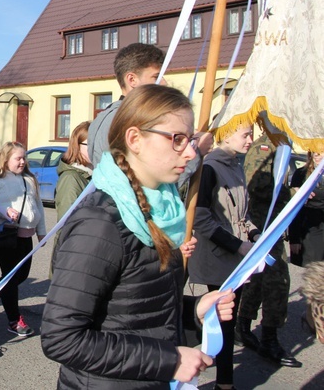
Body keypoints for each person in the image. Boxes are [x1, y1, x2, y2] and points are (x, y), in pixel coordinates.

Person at [42, 84, 235, 388]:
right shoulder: (100, 223)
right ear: (135, 139)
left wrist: (194, 312)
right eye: (177, 139)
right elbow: (61, 339)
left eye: (191, 140)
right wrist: (169, 360)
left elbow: (137, 313)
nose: (189, 151)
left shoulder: (165, 210)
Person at [188, 122, 255, 390]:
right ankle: (222, 383)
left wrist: (256, 235)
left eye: (252, 134)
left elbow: (242, 215)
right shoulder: (209, 168)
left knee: (228, 319)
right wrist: (236, 245)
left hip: (236, 258)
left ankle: (222, 380)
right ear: (226, 134)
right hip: (217, 258)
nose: (251, 139)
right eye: (246, 134)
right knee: (221, 320)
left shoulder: (236, 165)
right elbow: (200, 218)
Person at [234, 133, 302, 367]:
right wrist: (294, 193)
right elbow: (256, 183)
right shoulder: (265, 145)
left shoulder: (280, 144)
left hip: (272, 223)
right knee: (277, 280)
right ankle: (268, 339)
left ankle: (243, 327)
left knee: (261, 279)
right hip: (261, 225)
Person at [0, 141, 46, 337]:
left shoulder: (29, 179)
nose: (22, 161)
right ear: (6, 159)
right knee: (10, 278)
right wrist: (2, 211)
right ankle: (13, 320)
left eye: (23, 157)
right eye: (17, 158)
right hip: (6, 235)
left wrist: (41, 231)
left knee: (22, 275)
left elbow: (39, 206)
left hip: (26, 234)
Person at [88, 43, 166, 168]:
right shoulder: (133, 119)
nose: (164, 83)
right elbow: (154, 176)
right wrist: (196, 154)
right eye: (156, 77)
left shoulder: (102, 118)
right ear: (132, 80)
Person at [290, 151, 324, 266]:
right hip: (310, 230)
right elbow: (294, 209)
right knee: (315, 272)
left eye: (321, 151)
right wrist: (294, 238)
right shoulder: (301, 174)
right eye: (314, 151)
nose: (317, 154)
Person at [54, 121, 92, 222]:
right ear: (77, 146)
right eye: (90, 144)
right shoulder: (71, 178)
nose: (95, 148)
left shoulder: (95, 175)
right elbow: (67, 223)